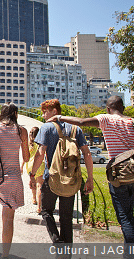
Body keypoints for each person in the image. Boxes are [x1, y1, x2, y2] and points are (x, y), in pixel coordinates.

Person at [47, 95, 134, 246]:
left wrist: (59, 117)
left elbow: (81, 122)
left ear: (108, 109)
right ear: (123, 107)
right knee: (129, 215)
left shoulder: (106, 119)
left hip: (119, 176)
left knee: (124, 218)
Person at [29, 99, 94, 244]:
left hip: (51, 178)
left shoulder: (46, 128)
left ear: (54, 112)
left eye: (45, 112)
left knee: (46, 211)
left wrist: (32, 174)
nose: (44, 115)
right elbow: (87, 153)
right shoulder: (76, 129)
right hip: (71, 179)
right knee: (66, 217)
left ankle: (56, 241)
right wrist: (90, 178)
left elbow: (40, 153)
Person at [0, 103, 29, 257]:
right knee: (8, 218)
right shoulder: (21, 131)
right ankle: (5, 255)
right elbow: (27, 157)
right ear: (15, 113)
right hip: (12, 177)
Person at [21, 126, 44, 213]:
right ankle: (39, 207)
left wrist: (22, 167)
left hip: (30, 166)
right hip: (40, 165)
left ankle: (34, 198)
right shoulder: (41, 143)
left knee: (32, 183)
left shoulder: (29, 144)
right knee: (39, 186)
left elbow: (25, 157)